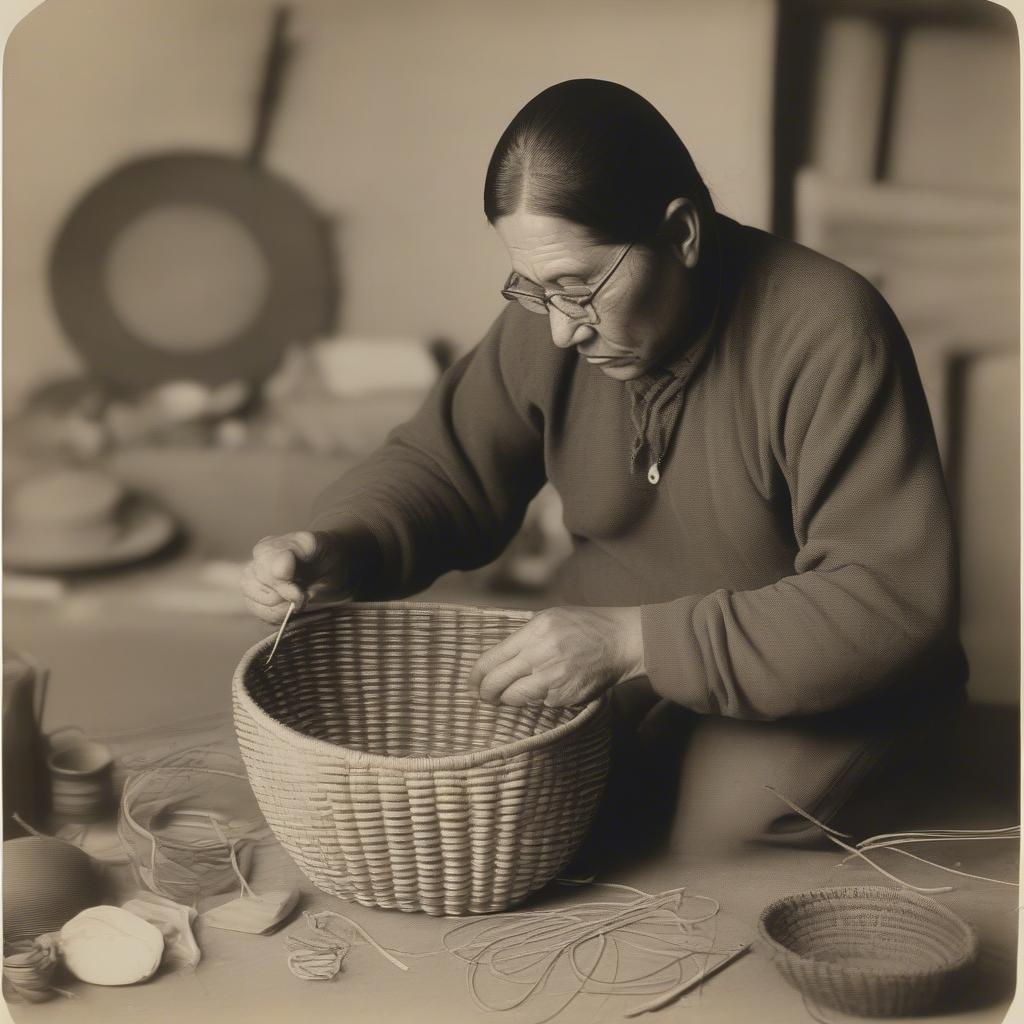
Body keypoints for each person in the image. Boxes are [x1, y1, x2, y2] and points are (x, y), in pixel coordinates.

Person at [241, 79, 967, 856]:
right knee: (490, 798)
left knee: (712, 837)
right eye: (534, 287)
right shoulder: (552, 320)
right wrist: (342, 543)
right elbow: (443, 464)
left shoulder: (828, 328)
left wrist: (636, 643)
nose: (560, 330)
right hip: (613, 650)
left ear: (681, 234)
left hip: (810, 680)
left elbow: (887, 601)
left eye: (579, 286)